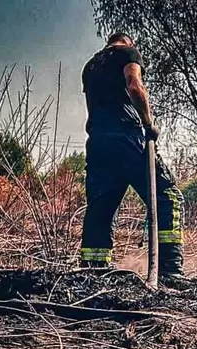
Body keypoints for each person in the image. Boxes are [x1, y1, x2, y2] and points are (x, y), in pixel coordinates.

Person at [79, 32, 185, 281]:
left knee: (101, 206)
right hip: (127, 138)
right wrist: (148, 123)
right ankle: (170, 271)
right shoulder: (127, 53)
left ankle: (93, 272)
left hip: (97, 143)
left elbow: (94, 108)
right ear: (129, 43)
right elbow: (134, 86)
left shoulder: (90, 67)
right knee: (167, 196)